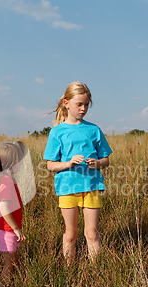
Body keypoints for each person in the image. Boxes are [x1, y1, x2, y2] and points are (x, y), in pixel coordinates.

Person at [43, 82, 113, 264]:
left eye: (86, 105)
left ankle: (96, 271)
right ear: (66, 103)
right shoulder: (57, 132)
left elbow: (106, 161)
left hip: (92, 187)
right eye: (79, 104)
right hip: (67, 189)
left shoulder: (94, 130)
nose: (83, 109)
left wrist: (97, 163)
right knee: (70, 234)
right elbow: (50, 165)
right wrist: (68, 163)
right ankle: (69, 270)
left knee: (92, 233)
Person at [0, 142, 27, 281]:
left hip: (6, 229)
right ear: (12, 162)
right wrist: (16, 228)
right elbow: (3, 207)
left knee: (14, 260)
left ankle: (12, 286)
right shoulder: (7, 181)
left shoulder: (6, 179)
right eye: (20, 160)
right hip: (7, 229)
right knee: (9, 264)